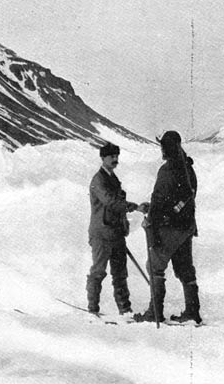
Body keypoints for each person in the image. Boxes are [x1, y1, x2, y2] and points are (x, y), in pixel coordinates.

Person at [134, 130, 202, 324]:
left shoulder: (167, 170)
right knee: (185, 268)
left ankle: (154, 313)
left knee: (155, 267)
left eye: (162, 146)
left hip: (169, 228)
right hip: (186, 226)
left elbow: (158, 199)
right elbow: (185, 197)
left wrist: (151, 220)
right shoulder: (188, 168)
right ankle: (192, 312)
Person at [86, 142, 143, 315]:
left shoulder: (113, 179)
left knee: (120, 273)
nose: (115, 159)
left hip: (116, 234)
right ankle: (93, 308)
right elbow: (110, 202)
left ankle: (125, 309)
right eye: (112, 156)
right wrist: (133, 206)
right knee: (98, 271)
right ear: (103, 158)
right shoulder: (98, 180)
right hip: (102, 234)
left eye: (117, 156)